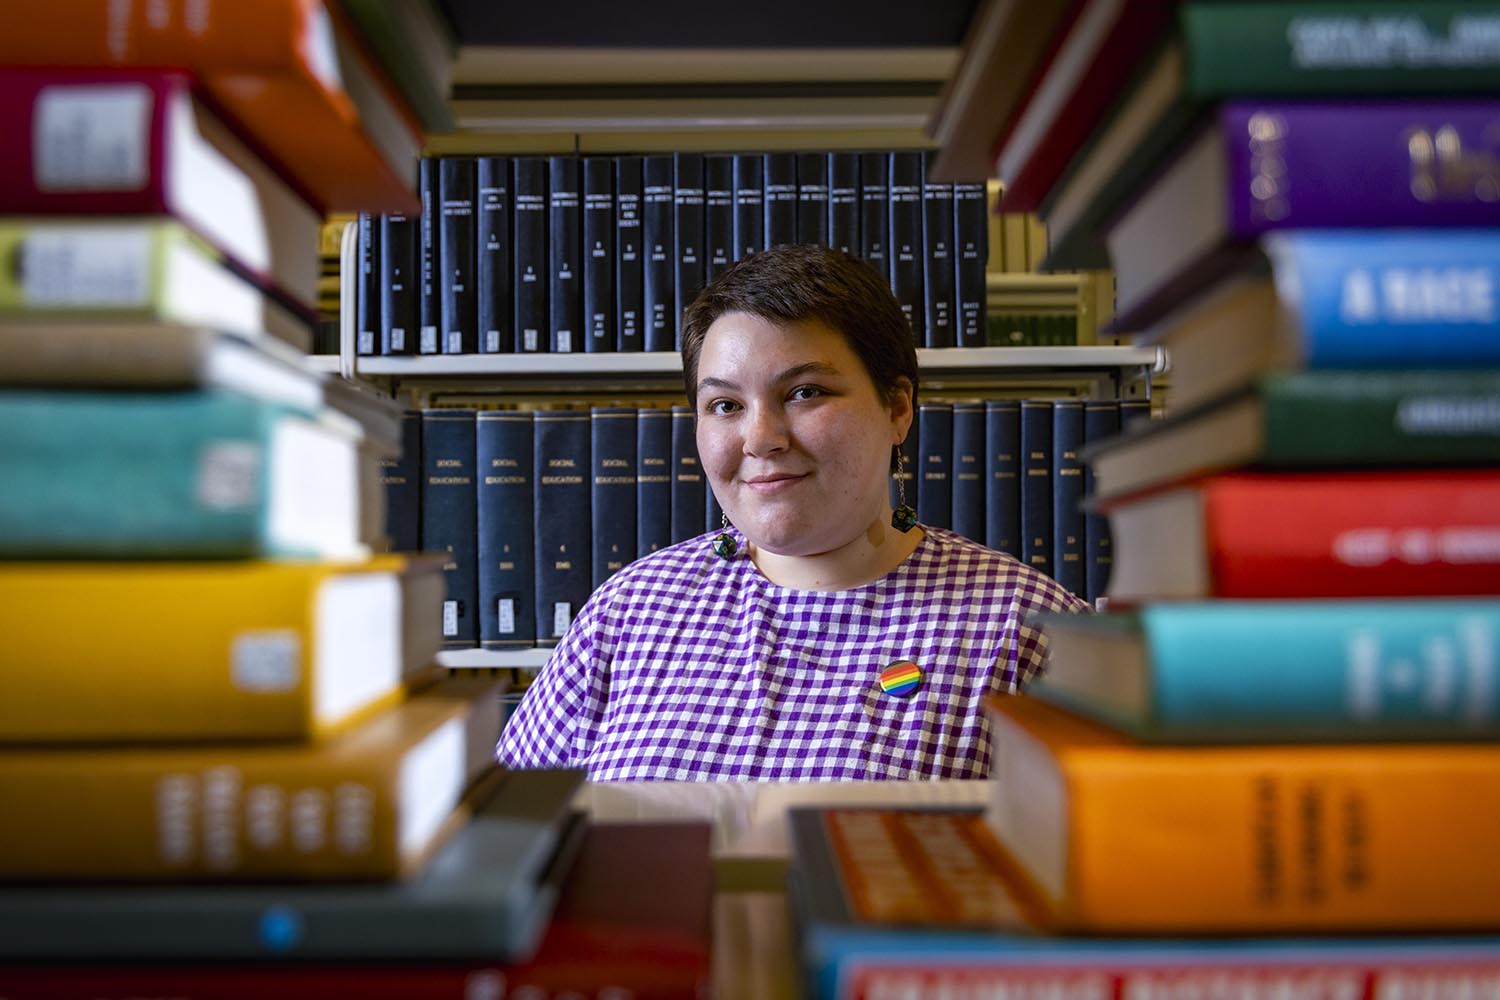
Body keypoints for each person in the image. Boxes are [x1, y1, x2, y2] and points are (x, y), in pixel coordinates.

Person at [497, 244, 1088, 781]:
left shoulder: (1030, 632)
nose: (761, 439)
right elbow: (505, 839)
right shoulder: (627, 612)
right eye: (725, 404)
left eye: (805, 392)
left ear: (898, 408)